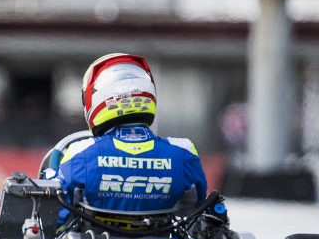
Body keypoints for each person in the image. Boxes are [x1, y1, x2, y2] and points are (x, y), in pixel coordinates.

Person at [53, 53, 208, 229]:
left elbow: (56, 218)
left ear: (96, 98)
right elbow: (194, 219)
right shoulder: (184, 152)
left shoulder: (80, 152)